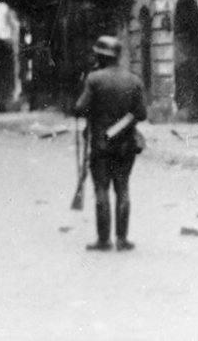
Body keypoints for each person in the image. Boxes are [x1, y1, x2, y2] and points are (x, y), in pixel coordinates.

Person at [73, 36, 147, 252]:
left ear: (100, 56)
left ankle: (104, 240)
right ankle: (122, 240)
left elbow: (79, 108)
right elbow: (142, 114)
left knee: (101, 189)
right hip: (126, 144)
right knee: (122, 188)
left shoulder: (94, 79)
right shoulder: (134, 80)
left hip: (101, 144)